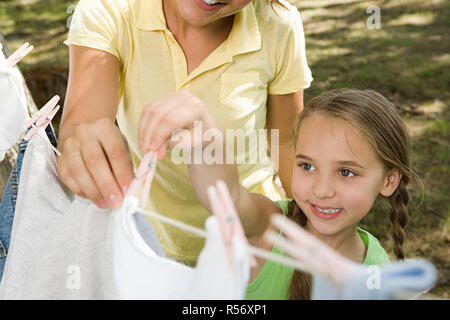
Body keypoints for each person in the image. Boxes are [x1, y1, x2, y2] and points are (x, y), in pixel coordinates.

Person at [57, 0, 313, 264]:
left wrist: (312, 229)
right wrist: (81, 145)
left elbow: (287, 146)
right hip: (149, 246)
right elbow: (81, 127)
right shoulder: (110, 10)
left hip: (253, 244)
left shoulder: (278, 24)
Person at [138, 88, 414, 299]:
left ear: (389, 181)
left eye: (346, 172)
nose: (321, 190)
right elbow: (227, 198)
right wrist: (201, 129)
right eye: (307, 166)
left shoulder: (375, 267)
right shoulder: (269, 227)